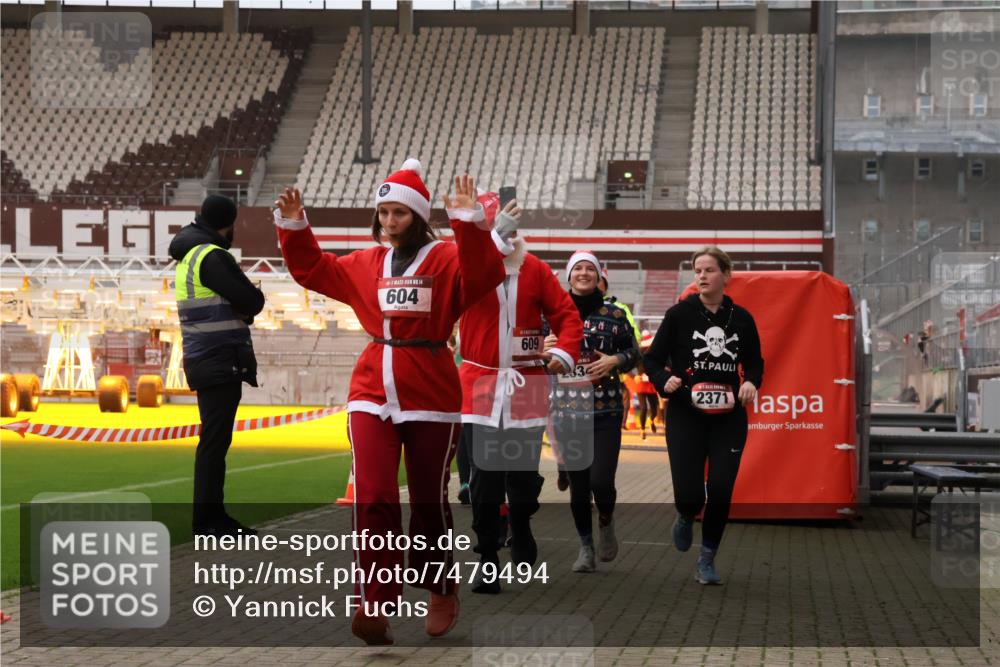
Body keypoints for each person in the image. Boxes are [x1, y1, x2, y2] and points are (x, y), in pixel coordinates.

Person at [273, 161, 507, 645]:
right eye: (383, 212)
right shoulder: (366, 262)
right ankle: (374, 601)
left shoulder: (447, 258)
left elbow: (484, 275)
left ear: (418, 216)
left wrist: (469, 223)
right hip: (371, 388)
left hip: (431, 392)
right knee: (374, 495)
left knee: (427, 500)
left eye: (399, 212)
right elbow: (315, 269)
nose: (389, 221)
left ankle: (441, 587)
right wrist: (295, 228)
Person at [458, 190, 582, 593]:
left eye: (506, 228)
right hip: (480, 385)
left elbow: (566, 315)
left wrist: (563, 352)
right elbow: (462, 285)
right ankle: (487, 556)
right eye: (494, 229)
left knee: (523, 477)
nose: (504, 235)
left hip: (527, 383)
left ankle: (521, 520)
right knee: (484, 478)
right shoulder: (468, 268)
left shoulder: (536, 270)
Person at [642, 246, 764, 585]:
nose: (702, 276)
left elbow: (755, 362)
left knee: (721, 489)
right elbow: (651, 359)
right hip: (686, 415)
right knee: (691, 494)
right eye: (697, 270)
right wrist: (664, 379)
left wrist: (751, 381)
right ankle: (685, 514)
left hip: (728, 418)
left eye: (709, 270)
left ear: (725, 275)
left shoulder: (742, 318)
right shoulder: (679, 315)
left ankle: (706, 559)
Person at [169, 194, 265, 537]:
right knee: (214, 442)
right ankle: (210, 521)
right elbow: (251, 300)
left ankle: (210, 519)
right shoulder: (212, 256)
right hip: (219, 357)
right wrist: (250, 303)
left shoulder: (189, 256)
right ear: (228, 224)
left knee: (213, 440)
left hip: (204, 355)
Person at [546, 251, 639, 573]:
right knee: (580, 487)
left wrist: (616, 360)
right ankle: (585, 547)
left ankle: (606, 520)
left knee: (601, 482)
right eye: (578, 268)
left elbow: (634, 352)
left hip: (606, 412)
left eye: (590, 268)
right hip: (567, 413)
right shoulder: (552, 314)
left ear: (598, 276)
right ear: (569, 275)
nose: (583, 273)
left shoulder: (614, 314)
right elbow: (535, 357)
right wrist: (543, 350)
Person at [598, 271, 640, 344]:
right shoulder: (577, 306)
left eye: (598, 280)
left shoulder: (619, 308)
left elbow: (635, 337)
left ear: (605, 286)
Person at [635, 330, 660, 440]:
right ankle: (642, 429)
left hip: (651, 383)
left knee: (654, 408)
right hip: (641, 383)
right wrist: (635, 375)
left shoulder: (655, 355)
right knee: (643, 408)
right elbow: (631, 366)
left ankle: (651, 420)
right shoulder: (639, 355)